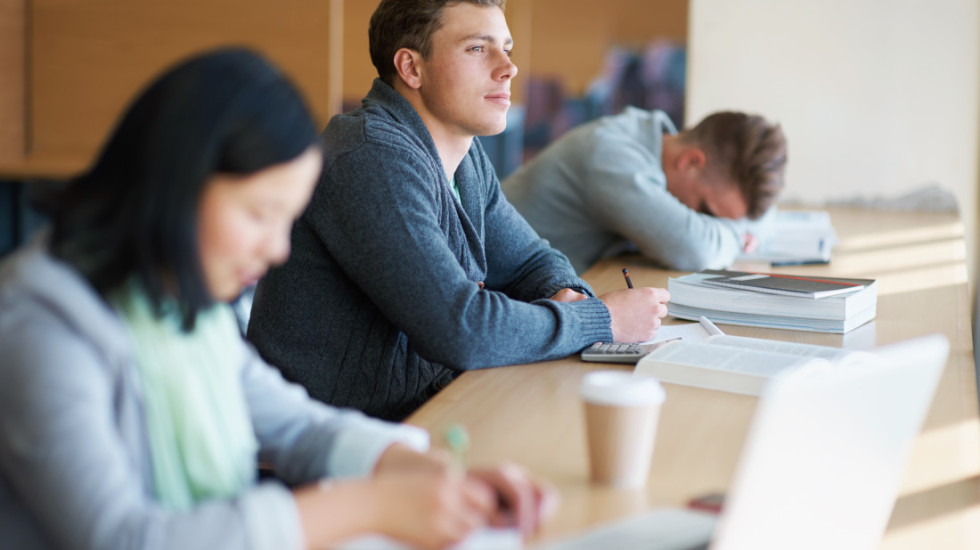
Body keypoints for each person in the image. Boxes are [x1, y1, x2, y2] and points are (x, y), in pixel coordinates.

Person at [0, 49, 554, 550]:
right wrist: (371, 503)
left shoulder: (175, 297)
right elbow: (124, 537)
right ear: (177, 184)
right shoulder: (39, 327)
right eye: (259, 214)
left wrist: (428, 471)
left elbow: (294, 425)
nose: (277, 249)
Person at [247, 0, 670, 422]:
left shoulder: (463, 156)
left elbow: (530, 262)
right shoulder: (370, 156)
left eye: (507, 48)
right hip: (339, 442)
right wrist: (598, 319)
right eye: (477, 49)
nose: (508, 68)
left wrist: (566, 295)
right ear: (411, 68)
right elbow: (461, 328)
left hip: (429, 412)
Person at [502, 108, 788, 273]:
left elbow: (765, 216)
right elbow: (695, 249)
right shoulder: (611, 158)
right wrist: (738, 237)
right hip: (498, 298)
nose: (708, 221)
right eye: (707, 210)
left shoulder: (656, 141)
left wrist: (739, 228)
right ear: (691, 162)